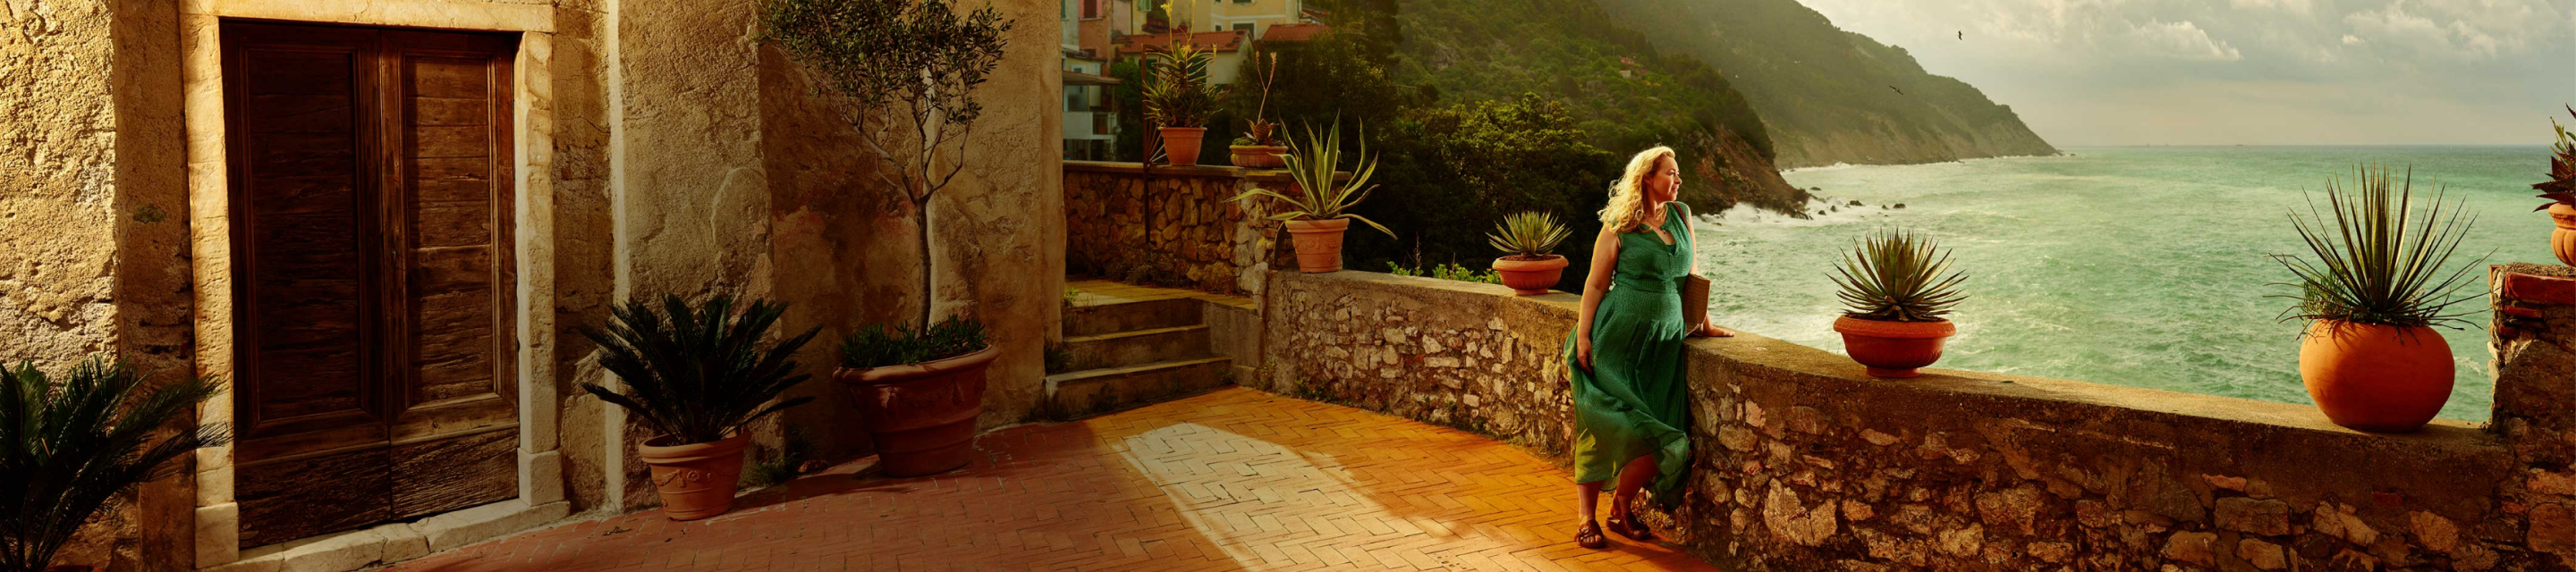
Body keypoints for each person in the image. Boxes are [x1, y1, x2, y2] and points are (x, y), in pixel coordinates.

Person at [1564, 146, 1733, 549]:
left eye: (1678, 173)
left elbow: (1690, 276)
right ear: (1647, 177)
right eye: (1671, 173)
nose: (1678, 180)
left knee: (1664, 432)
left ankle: (1620, 508)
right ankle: (1587, 519)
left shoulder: (1681, 215)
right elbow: (1595, 284)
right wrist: (1584, 335)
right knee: (1605, 426)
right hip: (1617, 338)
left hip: (1663, 344)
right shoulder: (1619, 224)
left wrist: (1705, 324)